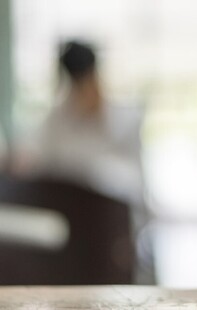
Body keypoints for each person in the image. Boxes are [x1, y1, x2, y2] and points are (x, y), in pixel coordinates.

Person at [24, 40, 153, 283]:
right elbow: (36, 162)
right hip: (71, 238)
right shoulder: (56, 121)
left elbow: (136, 184)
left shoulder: (125, 121)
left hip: (115, 234)